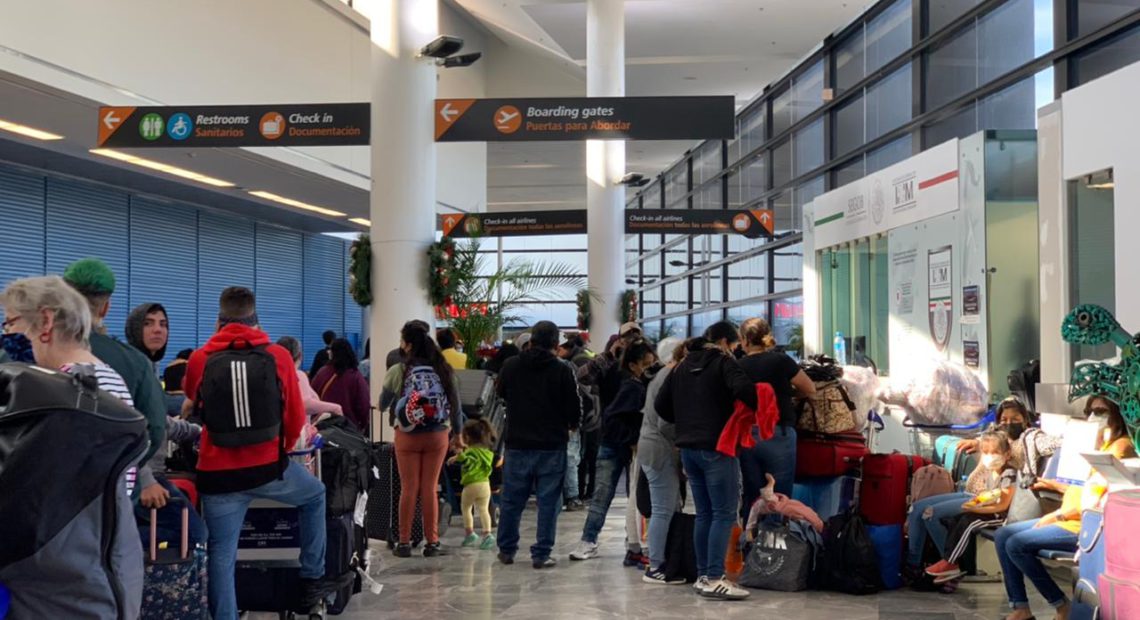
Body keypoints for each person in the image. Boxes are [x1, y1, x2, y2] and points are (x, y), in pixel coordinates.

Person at [1, 275, 145, 619]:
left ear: (46, 321)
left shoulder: (60, 399)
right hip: (105, 566)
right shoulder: (98, 380)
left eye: (11, 322)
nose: (7, 334)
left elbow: (34, 506)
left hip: (69, 582)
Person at [182, 286, 327, 619]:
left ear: (219, 321)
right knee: (315, 495)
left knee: (222, 555)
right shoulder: (277, 356)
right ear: (256, 320)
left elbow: (192, 393)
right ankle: (311, 578)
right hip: (268, 469)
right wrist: (283, 450)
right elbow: (292, 416)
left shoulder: (201, 357)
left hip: (217, 475)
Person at [994, 395, 1137, 620]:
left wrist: (1057, 516)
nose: (1093, 416)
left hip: (1082, 525)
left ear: (1116, 416)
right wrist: (1051, 484)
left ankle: (1060, 604)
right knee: (1003, 534)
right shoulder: (1097, 443)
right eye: (1091, 410)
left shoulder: (1118, 449)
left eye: (1101, 411)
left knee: (1016, 544)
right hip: (1068, 517)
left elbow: (1092, 499)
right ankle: (1020, 607)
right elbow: (1081, 487)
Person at [654, 321, 758, 601]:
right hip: (718, 447)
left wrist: (687, 418)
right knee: (724, 513)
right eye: (735, 345)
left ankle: (703, 576)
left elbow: (661, 406)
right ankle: (714, 577)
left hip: (689, 449)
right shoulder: (724, 363)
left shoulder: (681, 367)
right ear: (725, 342)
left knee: (705, 513)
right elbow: (747, 391)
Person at [63, 259, 167, 508]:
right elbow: (154, 430)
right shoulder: (134, 363)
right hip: (111, 496)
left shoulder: (24, 351)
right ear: (106, 308)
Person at [907, 398, 1036, 569]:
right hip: (970, 492)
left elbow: (1003, 498)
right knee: (917, 508)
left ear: (1025, 420)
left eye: (1015, 419)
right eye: (1004, 419)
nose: (1009, 423)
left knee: (930, 513)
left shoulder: (1023, 442)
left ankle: (947, 565)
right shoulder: (995, 437)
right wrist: (978, 443)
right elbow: (988, 441)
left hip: (983, 498)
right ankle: (913, 564)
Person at [495, 320, 580, 569]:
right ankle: (541, 553)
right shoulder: (563, 370)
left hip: (517, 442)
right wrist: (570, 425)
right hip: (552, 444)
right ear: (555, 344)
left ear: (531, 341)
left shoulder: (511, 366)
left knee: (512, 499)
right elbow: (574, 408)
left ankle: (507, 549)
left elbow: (500, 393)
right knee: (548, 501)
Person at [570, 338, 657, 566]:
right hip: (615, 445)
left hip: (627, 446)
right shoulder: (625, 381)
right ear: (632, 364)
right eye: (646, 365)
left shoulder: (644, 383)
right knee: (603, 495)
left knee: (635, 500)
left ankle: (633, 545)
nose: (650, 369)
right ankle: (590, 540)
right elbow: (612, 413)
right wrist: (631, 439)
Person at [379, 321, 462, 558]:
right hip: (437, 435)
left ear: (407, 345)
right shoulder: (444, 370)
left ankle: (403, 542)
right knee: (429, 488)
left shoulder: (398, 370)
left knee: (409, 488)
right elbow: (455, 408)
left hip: (406, 436)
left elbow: (383, 403)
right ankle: (432, 542)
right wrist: (457, 434)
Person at [735, 317, 814, 510]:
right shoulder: (781, 360)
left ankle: (751, 537)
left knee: (752, 496)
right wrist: (792, 395)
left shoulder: (737, 366)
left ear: (744, 340)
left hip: (748, 435)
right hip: (779, 433)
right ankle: (776, 536)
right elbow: (810, 388)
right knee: (779, 497)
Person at [924, 431, 1017, 584]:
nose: (990, 456)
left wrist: (975, 509)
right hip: (990, 512)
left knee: (969, 521)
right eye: (986, 452)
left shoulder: (1008, 474)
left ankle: (950, 562)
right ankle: (957, 563)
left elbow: (1002, 505)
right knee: (956, 519)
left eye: (995, 452)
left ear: (1007, 454)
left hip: (1002, 517)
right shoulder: (990, 473)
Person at [637, 337, 686, 585]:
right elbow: (665, 422)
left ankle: (664, 562)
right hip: (660, 449)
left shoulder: (661, 376)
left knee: (666, 508)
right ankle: (655, 565)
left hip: (653, 447)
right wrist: (683, 441)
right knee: (663, 509)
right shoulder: (669, 377)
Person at [448, 418, 497, 550]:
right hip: (485, 484)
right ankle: (488, 535)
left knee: (466, 508)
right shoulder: (488, 453)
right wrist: (457, 457)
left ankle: (470, 534)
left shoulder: (470, 452)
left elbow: (469, 462)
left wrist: (460, 455)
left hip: (471, 485)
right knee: (483, 510)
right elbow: (475, 458)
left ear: (467, 437)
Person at [310, 338, 371, 432]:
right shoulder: (355, 376)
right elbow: (364, 404)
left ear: (333, 353)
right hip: (348, 428)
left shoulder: (322, 373)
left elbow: (312, 397)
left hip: (323, 426)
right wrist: (361, 425)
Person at [276, 336, 343, 417]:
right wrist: (335, 408)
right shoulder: (298, 375)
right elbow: (305, 404)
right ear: (300, 355)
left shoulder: (271, 374)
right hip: (297, 427)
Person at [125, 302, 169, 372]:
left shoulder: (153, 366)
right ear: (134, 329)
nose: (158, 330)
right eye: (147, 323)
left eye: (162, 324)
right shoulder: (125, 369)